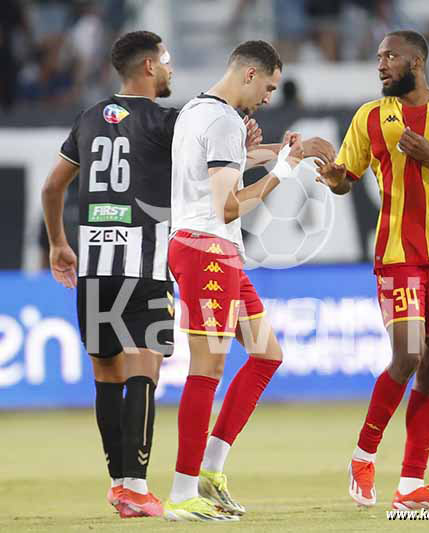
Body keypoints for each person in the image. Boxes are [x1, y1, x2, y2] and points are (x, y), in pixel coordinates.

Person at [315, 30, 429, 510]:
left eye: (390, 56)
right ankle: (363, 455)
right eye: (378, 57)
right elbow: (344, 180)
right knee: (410, 354)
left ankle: (412, 486)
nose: (381, 65)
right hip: (397, 255)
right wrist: (333, 178)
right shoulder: (370, 117)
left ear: (417, 59)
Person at [164, 40, 335, 522]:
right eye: (269, 86)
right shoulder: (221, 121)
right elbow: (229, 205)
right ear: (248, 74)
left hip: (218, 253)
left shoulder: (202, 110)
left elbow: (217, 167)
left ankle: (210, 473)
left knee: (266, 354)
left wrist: (278, 153)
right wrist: (282, 172)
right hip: (207, 252)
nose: (268, 96)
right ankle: (181, 492)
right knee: (208, 368)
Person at [41, 30, 177, 518]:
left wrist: (60, 243)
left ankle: (120, 485)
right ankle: (137, 488)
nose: (170, 68)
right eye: (165, 60)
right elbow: (218, 165)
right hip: (147, 268)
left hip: (96, 269)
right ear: (147, 67)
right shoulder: (167, 121)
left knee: (106, 375)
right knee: (144, 369)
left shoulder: (88, 118)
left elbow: (53, 187)